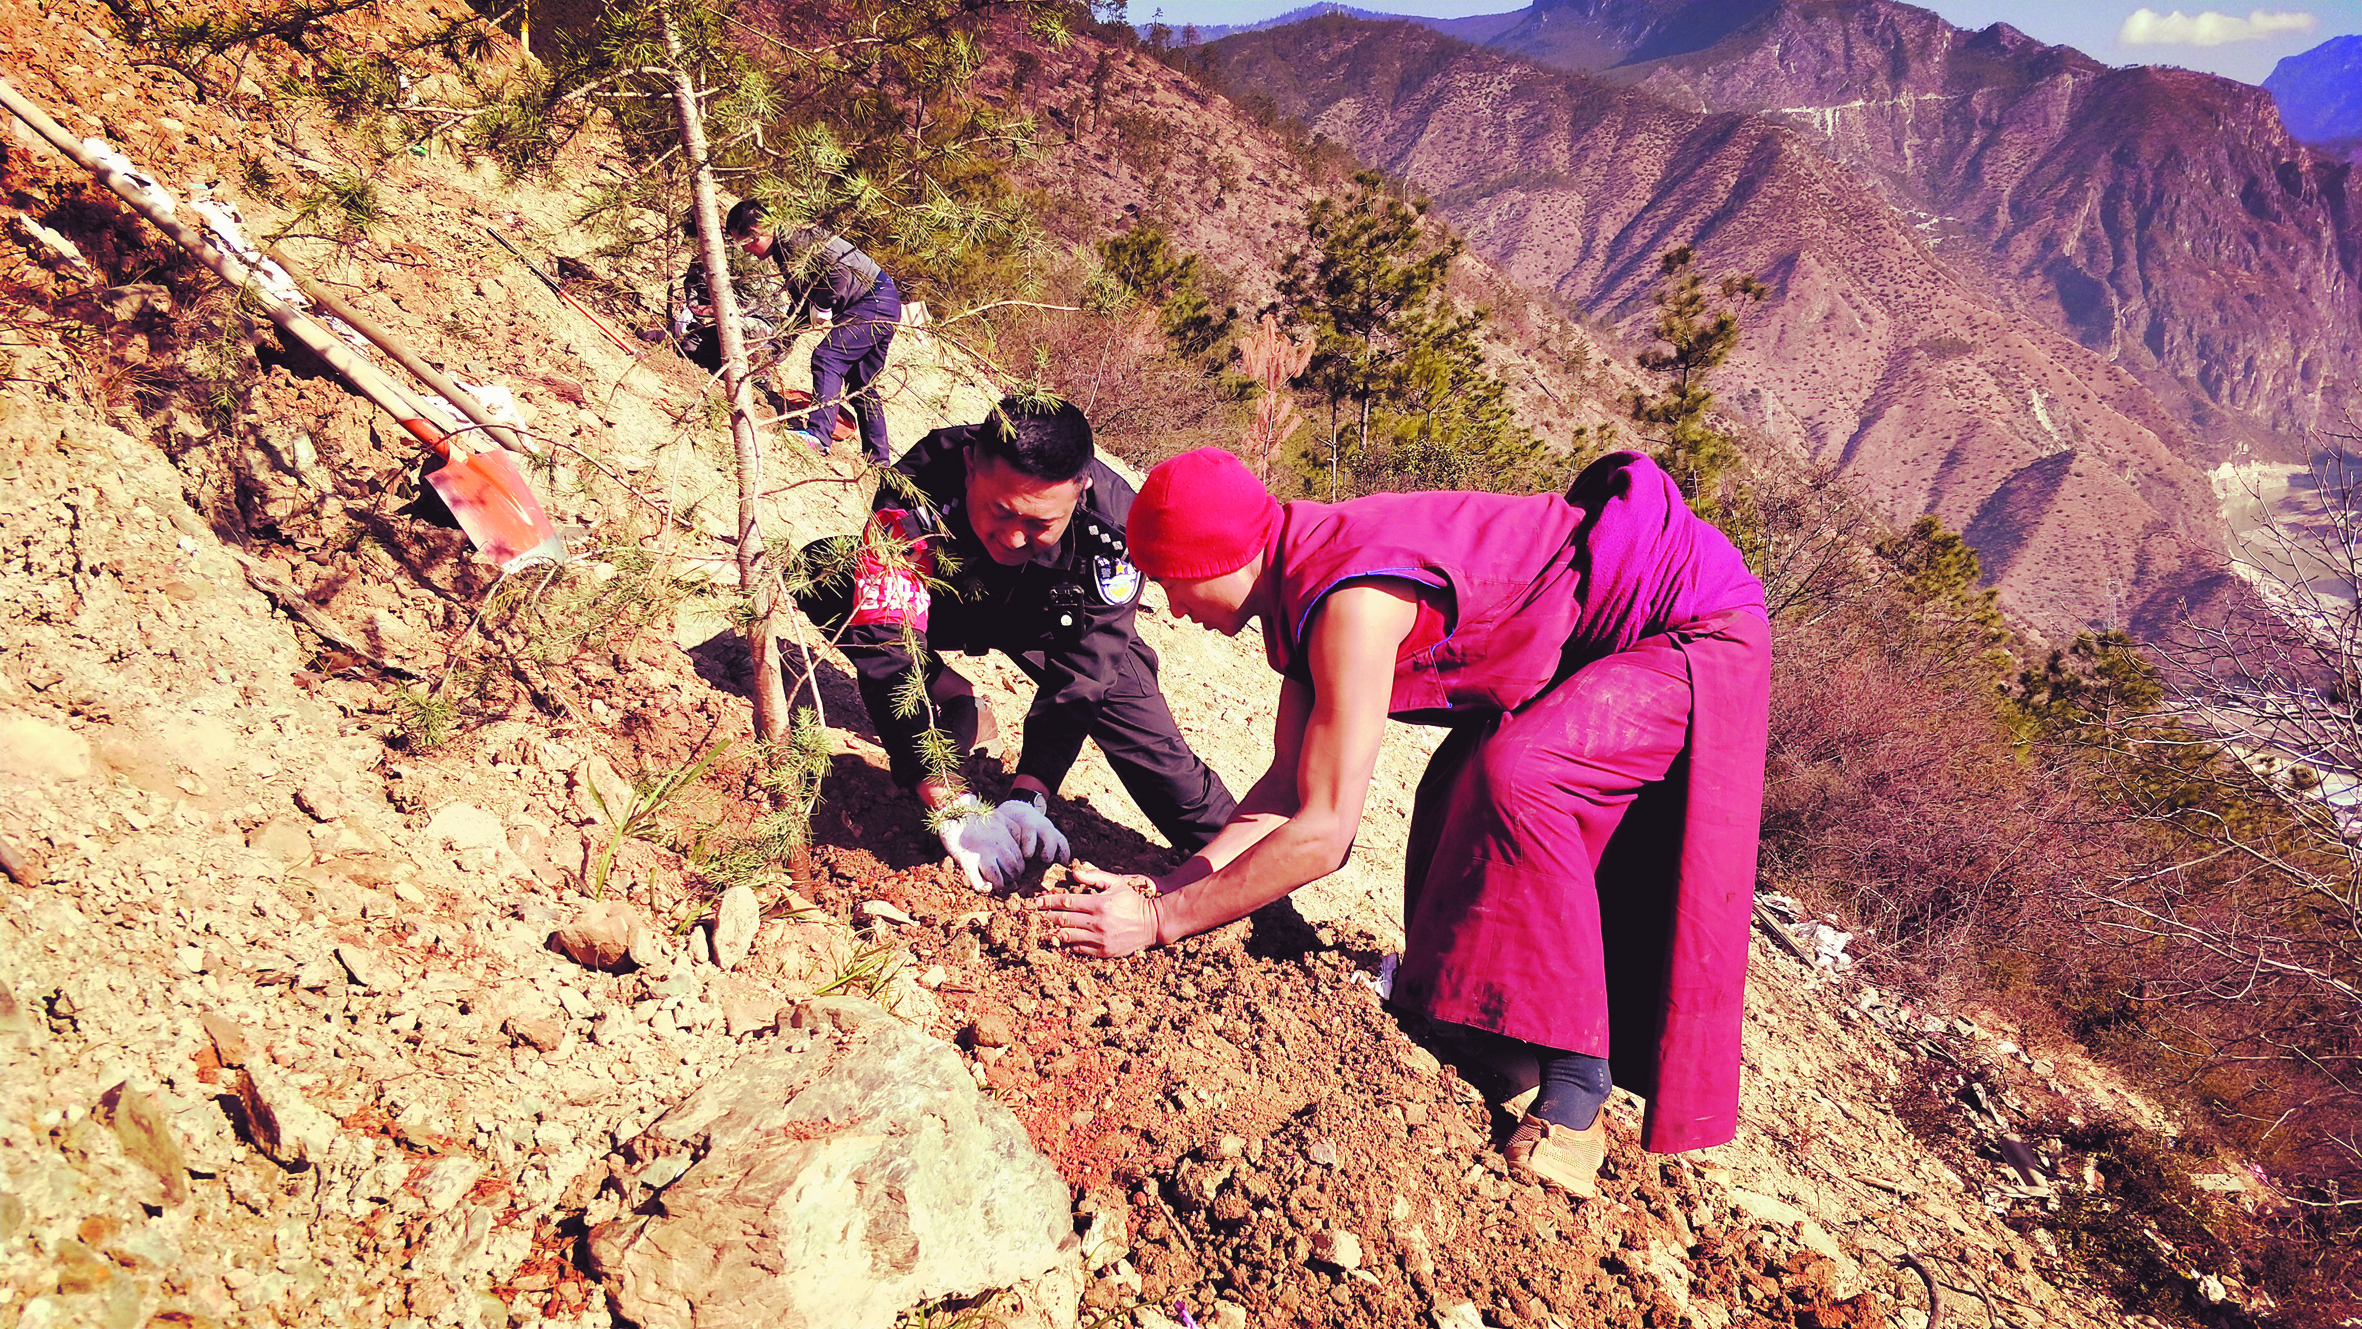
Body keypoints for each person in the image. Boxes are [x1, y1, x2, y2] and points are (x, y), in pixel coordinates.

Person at [1030, 447, 1772, 1196]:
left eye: (1170, 580)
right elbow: (1286, 790)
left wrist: (1161, 926)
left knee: (1520, 774)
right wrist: (1167, 888)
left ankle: (1579, 1084)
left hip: (1694, 625)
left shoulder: (1350, 601)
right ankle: (1494, 1034)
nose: (1175, 607)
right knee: (1453, 789)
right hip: (1604, 634)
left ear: (1218, 557)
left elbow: (1324, 835)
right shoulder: (1298, 578)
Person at [792, 400, 1239, 893]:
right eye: (1000, 511)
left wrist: (1031, 794)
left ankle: (1257, 887)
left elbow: (1085, 674)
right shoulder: (920, 483)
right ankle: (955, 695)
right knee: (821, 574)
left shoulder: (1116, 529)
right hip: (954, 599)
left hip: (1059, 624)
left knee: (1163, 766)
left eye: (1040, 524)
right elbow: (889, 639)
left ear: (1080, 490)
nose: (1014, 537)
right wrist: (947, 796)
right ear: (969, 468)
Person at [726, 199, 900, 463]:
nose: (748, 251)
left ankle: (818, 436)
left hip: (873, 300)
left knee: (827, 357)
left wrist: (823, 304)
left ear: (760, 229)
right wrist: (777, 345)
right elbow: (802, 301)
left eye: (746, 242)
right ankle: (879, 460)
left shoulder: (796, 240)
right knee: (862, 384)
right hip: (883, 299)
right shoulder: (783, 250)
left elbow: (839, 270)